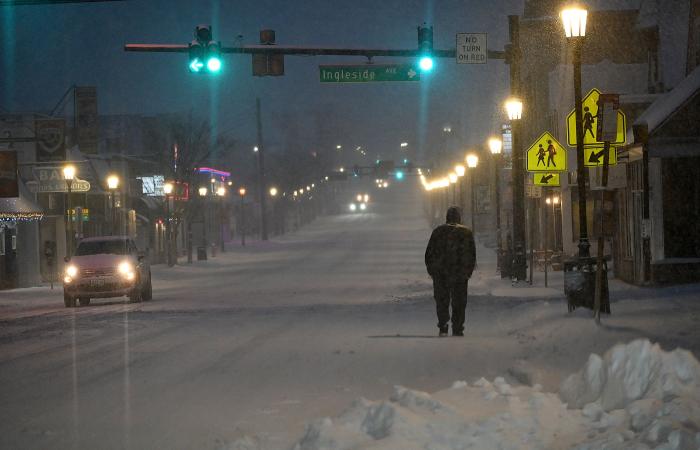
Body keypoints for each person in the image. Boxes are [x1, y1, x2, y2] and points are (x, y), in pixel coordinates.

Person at [424, 206, 477, 337]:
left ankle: (443, 324)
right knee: (459, 300)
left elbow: (429, 254)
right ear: (459, 218)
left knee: (442, 300)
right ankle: (458, 326)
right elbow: (472, 255)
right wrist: (468, 271)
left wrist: (433, 271)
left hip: (441, 273)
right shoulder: (466, 233)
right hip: (460, 273)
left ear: (446, 217)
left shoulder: (438, 232)